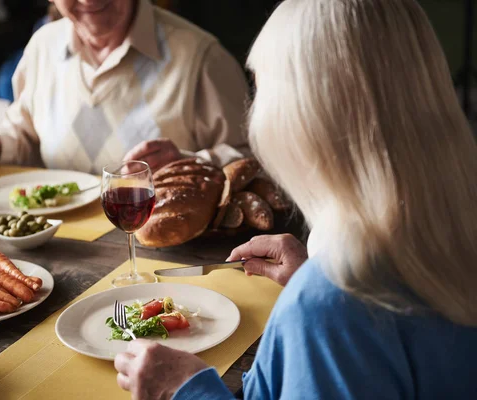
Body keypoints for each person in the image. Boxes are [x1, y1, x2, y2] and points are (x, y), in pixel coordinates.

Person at [113, 0, 477, 398]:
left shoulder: (333, 304)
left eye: (261, 87)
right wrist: (312, 274)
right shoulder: (450, 224)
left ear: (308, 115)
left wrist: (184, 390)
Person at [0, 0, 249, 175]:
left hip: (168, 257)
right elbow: (25, 132)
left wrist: (189, 164)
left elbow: (252, 160)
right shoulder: (43, 45)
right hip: (65, 248)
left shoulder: (203, 58)